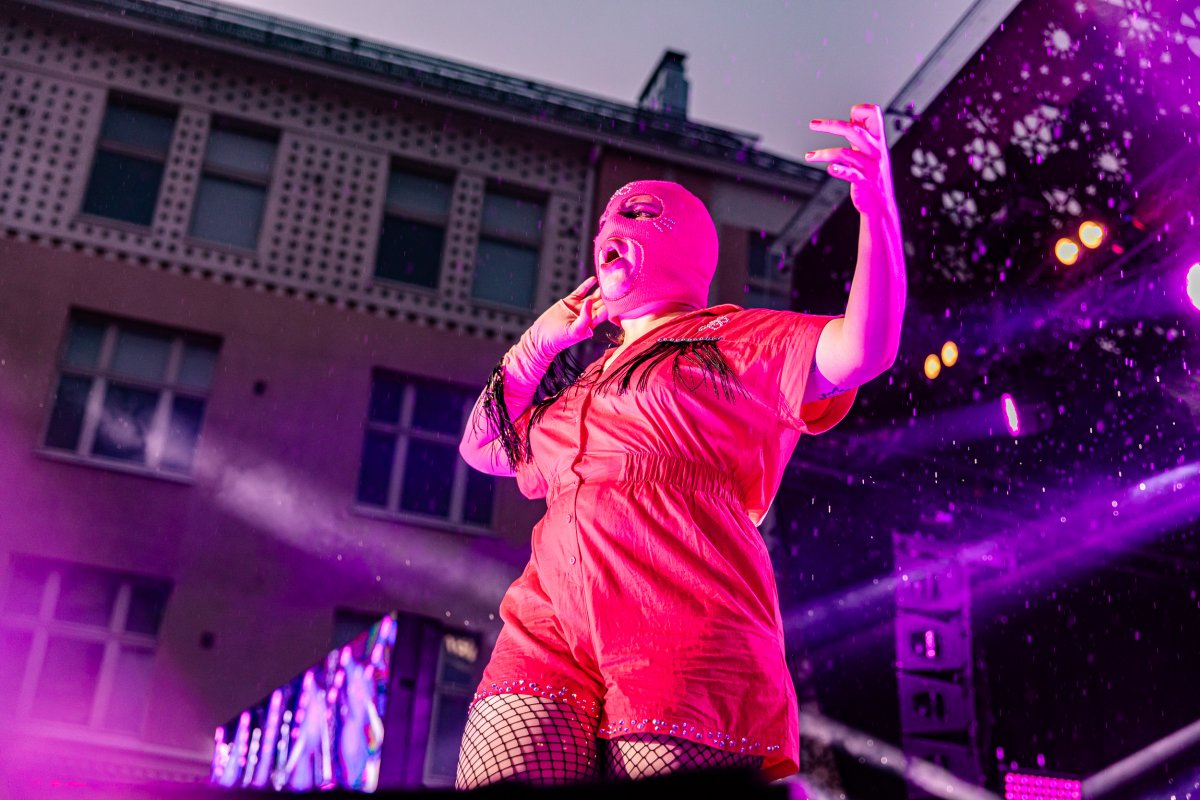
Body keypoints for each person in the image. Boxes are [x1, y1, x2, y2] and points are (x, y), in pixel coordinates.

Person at [454, 103, 906, 789]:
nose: (610, 227)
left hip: (680, 627)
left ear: (686, 245)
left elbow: (864, 349)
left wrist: (877, 209)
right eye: (605, 221)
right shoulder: (579, 390)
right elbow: (482, 445)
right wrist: (540, 342)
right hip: (547, 629)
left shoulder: (735, 340)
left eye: (637, 214)